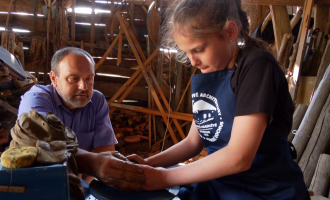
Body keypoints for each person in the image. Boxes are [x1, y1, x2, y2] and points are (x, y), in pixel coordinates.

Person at [127, 0, 310, 199]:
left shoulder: (256, 67)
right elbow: (191, 143)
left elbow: (239, 157)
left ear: (230, 32)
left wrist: (165, 177)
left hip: (265, 190)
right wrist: (148, 164)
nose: (193, 61)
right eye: (187, 53)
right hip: (220, 186)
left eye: (198, 49)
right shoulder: (213, 71)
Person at [18, 47, 144, 190]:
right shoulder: (36, 99)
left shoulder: (97, 101)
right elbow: (45, 145)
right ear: (54, 78)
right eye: (73, 79)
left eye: (89, 79)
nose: (83, 87)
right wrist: (89, 168)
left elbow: (105, 151)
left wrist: (85, 187)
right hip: (41, 186)